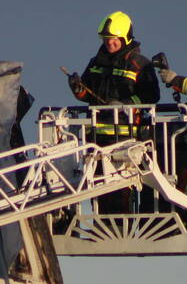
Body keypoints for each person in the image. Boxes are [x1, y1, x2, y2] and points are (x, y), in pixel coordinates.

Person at [68, 11, 160, 213]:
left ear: (125, 37)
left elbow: (152, 96)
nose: (109, 43)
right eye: (106, 39)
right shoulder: (95, 63)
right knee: (98, 191)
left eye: (113, 40)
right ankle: (100, 227)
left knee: (120, 193)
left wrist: (125, 104)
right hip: (96, 140)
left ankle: (120, 229)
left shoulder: (140, 64)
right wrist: (77, 88)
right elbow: (86, 95)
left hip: (125, 140)